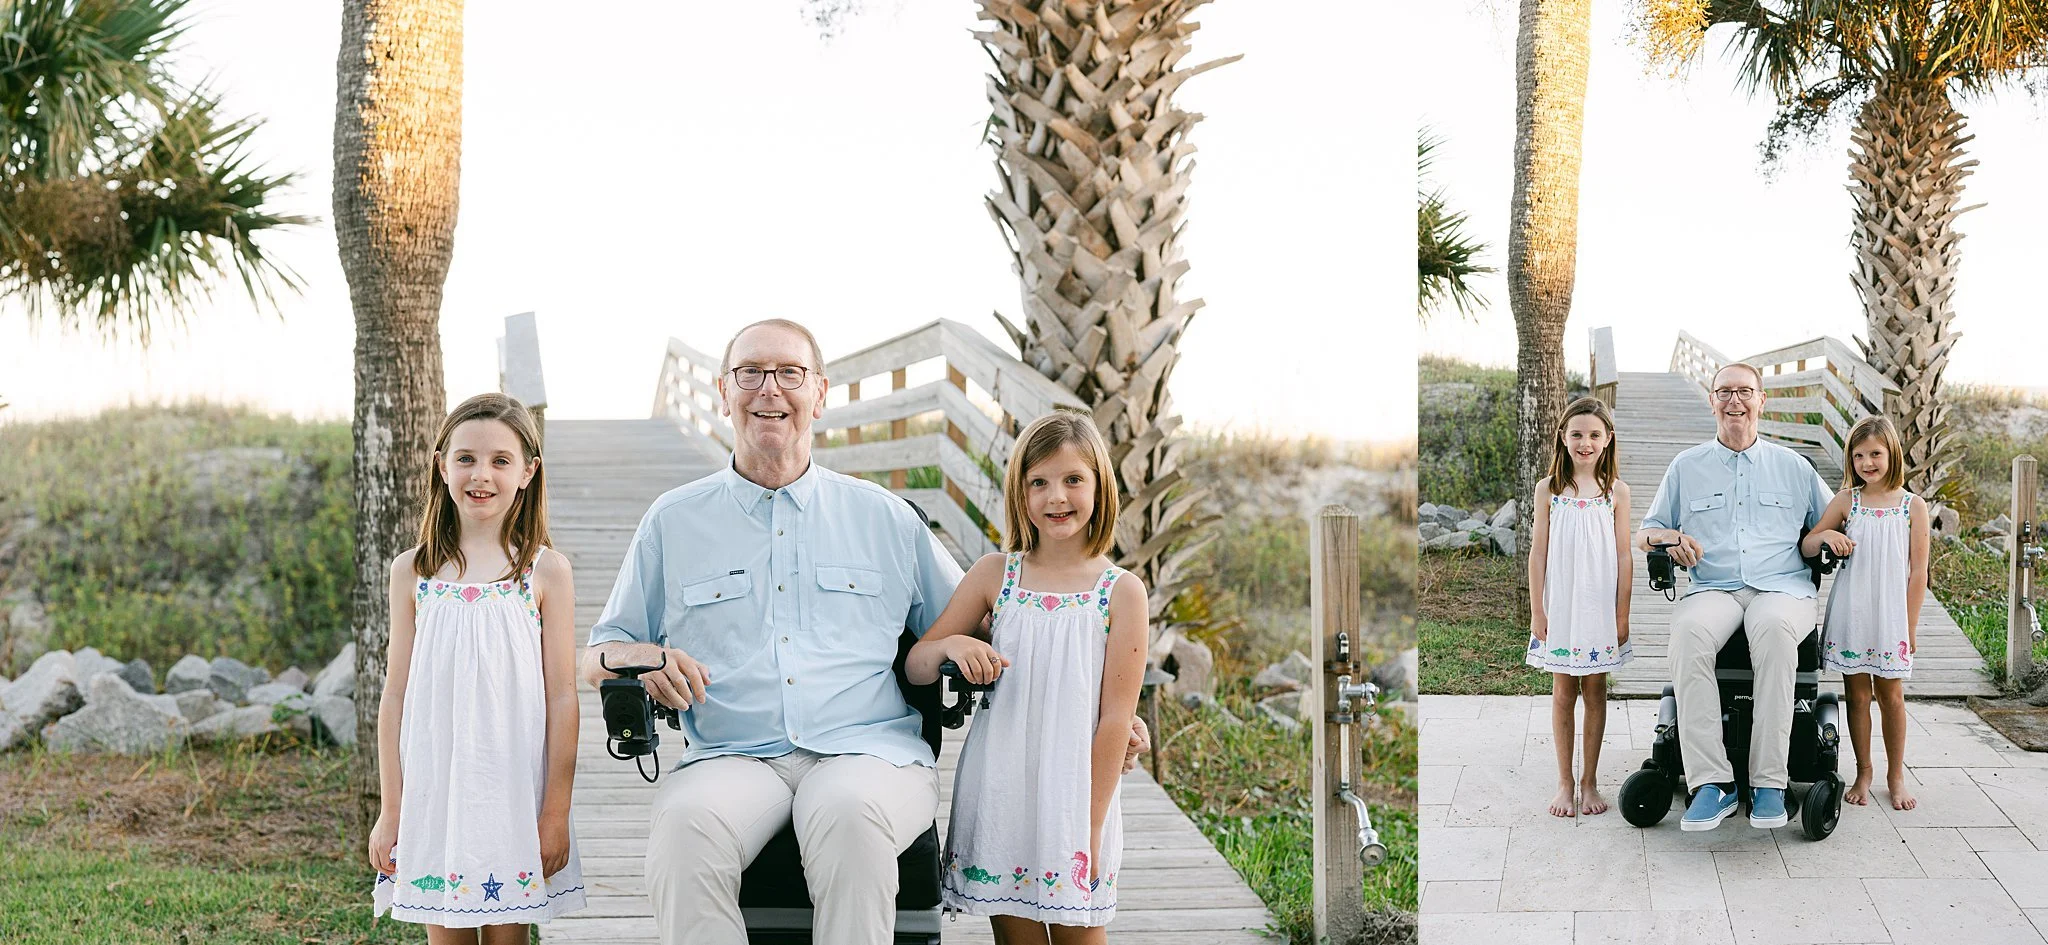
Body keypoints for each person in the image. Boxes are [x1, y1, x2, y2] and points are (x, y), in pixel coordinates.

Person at [578, 319, 1148, 945]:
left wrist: (1107, 707)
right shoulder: (673, 520)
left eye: (790, 374)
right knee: (683, 831)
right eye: (751, 374)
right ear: (724, 391)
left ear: (818, 394)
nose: (770, 389)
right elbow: (601, 653)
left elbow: (1004, 626)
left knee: (849, 816)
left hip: (870, 753)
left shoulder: (885, 517)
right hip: (731, 754)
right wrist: (645, 656)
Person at [908, 412, 1147, 940]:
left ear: (1099, 486)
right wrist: (953, 642)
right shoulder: (996, 575)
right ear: (1020, 493)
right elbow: (917, 665)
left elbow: (1115, 719)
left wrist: (1088, 823)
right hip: (1003, 788)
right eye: (1038, 482)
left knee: (1078, 934)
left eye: (1072, 479)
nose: (1055, 496)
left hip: (1077, 794)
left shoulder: (1121, 591)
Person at [370, 393, 586, 939]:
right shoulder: (412, 570)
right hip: (434, 793)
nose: (480, 474)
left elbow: (563, 698)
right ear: (442, 466)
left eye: (500, 460)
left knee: (509, 937)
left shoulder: (545, 572)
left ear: (528, 472)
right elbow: (395, 695)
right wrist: (391, 809)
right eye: (465, 458)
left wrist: (554, 813)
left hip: (512, 793)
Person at [1636, 362, 1834, 832]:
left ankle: (1770, 781)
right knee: (1686, 634)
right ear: (1711, 401)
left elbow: (1837, 518)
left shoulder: (1795, 466)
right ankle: (1713, 783)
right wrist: (1669, 539)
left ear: (1761, 401)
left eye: (1745, 391)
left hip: (1782, 587)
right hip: (1714, 586)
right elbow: (1645, 534)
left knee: (1773, 629)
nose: (1734, 401)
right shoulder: (1686, 466)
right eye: (1724, 392)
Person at [1804, 415, 1928, 810]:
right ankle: (1863, 770)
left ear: (1892, 452)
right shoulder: (1847, 501)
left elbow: (1919, 571)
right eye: (1858, 456)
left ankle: (1895, 775)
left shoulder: (1913, 506)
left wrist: (1908, 625)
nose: (1867, 463)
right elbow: (1808, 545)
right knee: (1857, 697)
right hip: (1852, 609)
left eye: (1875, 453)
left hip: (1891, 613)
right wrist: (1827, 534)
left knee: (1891, 695)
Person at [1525, 398, 1633, 818]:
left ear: (1607, 440)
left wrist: (1621, 615)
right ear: (1562, 438)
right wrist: (1538, 611)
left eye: (1593, 435)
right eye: (1576, 434)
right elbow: (1537, 554)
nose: (1584, 442)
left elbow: (1624, 556)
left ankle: (1590, 781)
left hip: (1598, 607)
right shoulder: (1549, 489)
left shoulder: (1615, 493)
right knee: (1563, 691)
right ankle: (1564, 783)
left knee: (1595, 692)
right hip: (1562, 606)